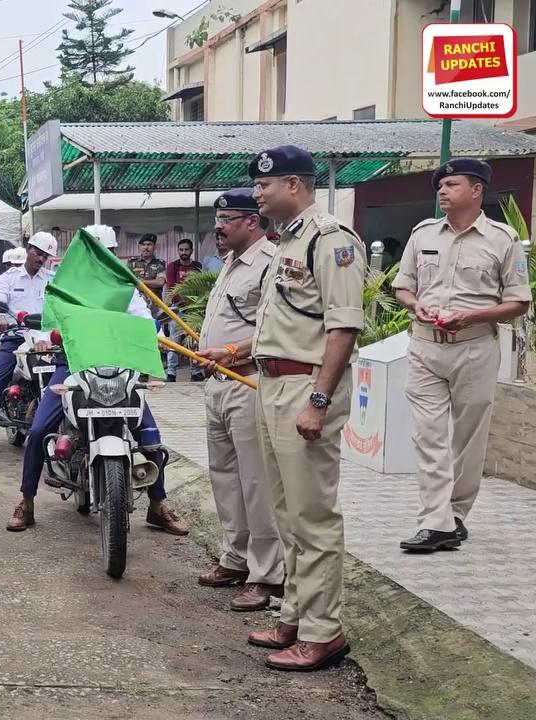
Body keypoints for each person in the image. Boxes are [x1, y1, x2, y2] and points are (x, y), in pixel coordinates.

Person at [201, 145, 365, 672]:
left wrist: (318, 401)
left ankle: (324, 634)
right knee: (287, 514)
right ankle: (294, 615)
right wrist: (232, 352)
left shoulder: (332, 241)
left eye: (264, 186)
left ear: (292, 185)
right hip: (269, 386)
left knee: (313, 517)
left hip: (304, 389)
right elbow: (275, 329)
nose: (257, 194)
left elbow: (342, 327)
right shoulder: (288, 242)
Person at [5, 226, 189, 537]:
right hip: (73, 365)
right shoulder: (65, 286)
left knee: (150, 435)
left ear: (114, 255)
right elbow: (49, 319)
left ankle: (158, 506)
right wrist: (39, 338)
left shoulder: (125, 288)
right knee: (37, 431)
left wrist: (157, 337)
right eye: (93, 255)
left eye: (107, 254)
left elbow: (143, 318)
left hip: (119, 369)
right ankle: (26, 501)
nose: (100, 260)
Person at [392, 158, 531, 552]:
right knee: (428, 436)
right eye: (440, 185)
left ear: (477, 191)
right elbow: (403, 287)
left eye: (451, 184)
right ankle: (435, 521)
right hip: (424, 347)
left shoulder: (502, 241)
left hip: (475, 347)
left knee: (469, 439)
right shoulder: (422, 234)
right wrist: (414, 304)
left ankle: (455, 515)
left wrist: (473, 314)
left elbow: (518, 301)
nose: (442, 190)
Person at [193, 189, 284, 611]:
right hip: (216, 385)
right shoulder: (229, 263)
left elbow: (275, 329)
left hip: (248, 384)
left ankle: (268, 576)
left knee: (255, 482)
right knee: (224, 478)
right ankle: (236, 559)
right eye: (218, 217)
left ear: (252, 221)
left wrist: (230, 352)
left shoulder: (271, 264)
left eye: (228, 217)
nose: (219, 225)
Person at [0, 232, 57, 461]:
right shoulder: (8, 278)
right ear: (28, 249)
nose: (40, 259)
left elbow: (60, 307)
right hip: (15, 337)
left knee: (62, 381)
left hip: (45, 340)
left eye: (45, 256)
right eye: (37, 252)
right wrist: (0, 317)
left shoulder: (52, 279)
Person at [164, 238, 202, 382]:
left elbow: (201, 286)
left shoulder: (197, 266)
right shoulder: (172, 266)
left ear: (191, 251)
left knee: (193, 341)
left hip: (193, 308)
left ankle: (196, 371)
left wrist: (193, 303)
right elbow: (172, 288)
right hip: (177, 308)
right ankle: (172, 373)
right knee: (174, 341)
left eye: (186, 249)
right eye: (181, 250)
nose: (183, 252)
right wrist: (183, 300)